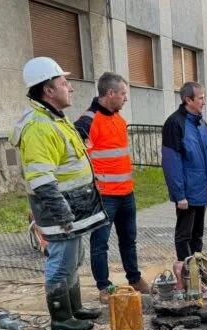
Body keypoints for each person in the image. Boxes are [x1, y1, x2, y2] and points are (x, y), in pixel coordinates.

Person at [11, 57, 106, 330]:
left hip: (73, 207)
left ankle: (74, 308)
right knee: (61, 262)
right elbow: (42, 181)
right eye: (64, 83)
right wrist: (63, 214)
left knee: (73, 260)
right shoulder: (40, 127)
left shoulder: (55, 119)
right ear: (48, 90)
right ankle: (61, 317)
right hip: (60, 211)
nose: (70, 88)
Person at [75, 73, 151, 303]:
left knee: (129, 240)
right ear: (110, 93)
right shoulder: (87, 122)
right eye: (123, 94)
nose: (125, 98)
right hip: (104, 196)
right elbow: (76, 160)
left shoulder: (119, 120)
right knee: (100, 244)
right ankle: (104, 287)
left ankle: (134, 279)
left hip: (126, 193)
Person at [162, 82, 207, 264]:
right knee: (184, 236)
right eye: (201, 98)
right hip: (187, 194)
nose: (204, 102)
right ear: (188, 100)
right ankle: (186, 273)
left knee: (198, 235)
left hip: (201, 191)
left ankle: (196, 271)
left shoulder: (201, 123)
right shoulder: (175, 123)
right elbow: (171, 162)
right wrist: (179, 195)